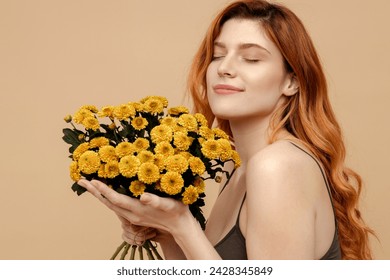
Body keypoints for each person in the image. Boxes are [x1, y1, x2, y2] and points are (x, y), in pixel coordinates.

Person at [78, 0, 375, 259]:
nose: (224, 68)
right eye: (218, 55)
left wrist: (183, 224)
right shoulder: (239, 168)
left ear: (292, 82)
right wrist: (163, 228)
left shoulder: (278, 166)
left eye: (251, 58)